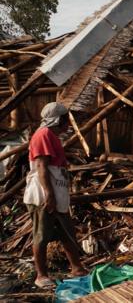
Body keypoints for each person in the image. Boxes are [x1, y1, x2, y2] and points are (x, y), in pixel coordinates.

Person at [23, 102, 86, 288]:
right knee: (41, 235)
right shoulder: (43, 135)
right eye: (66, 120)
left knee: (67, 232)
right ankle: (41, 276)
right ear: (59, 120)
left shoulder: (51, 136)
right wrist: (49, 194)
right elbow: (42, 166)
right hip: (43, 195)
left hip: (56, 195)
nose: (68, 124)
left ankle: (77, 268)